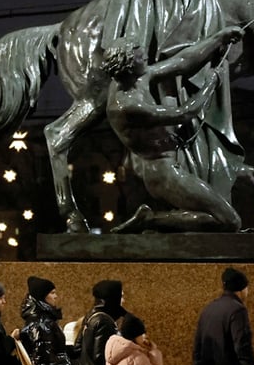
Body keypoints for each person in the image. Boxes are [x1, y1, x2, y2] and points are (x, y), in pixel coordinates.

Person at [104, 27, 244, 233]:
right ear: (130, 64)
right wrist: (210, 84)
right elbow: (184, 113)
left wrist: (219, 38)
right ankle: (151, 220)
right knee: (230, 222)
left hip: (175, 161)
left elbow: (181, 62)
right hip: (163, 173)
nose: (147, 62)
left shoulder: (135, 78)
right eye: (142, 58)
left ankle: (156, 220)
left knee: (221, 214)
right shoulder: (127, 105)